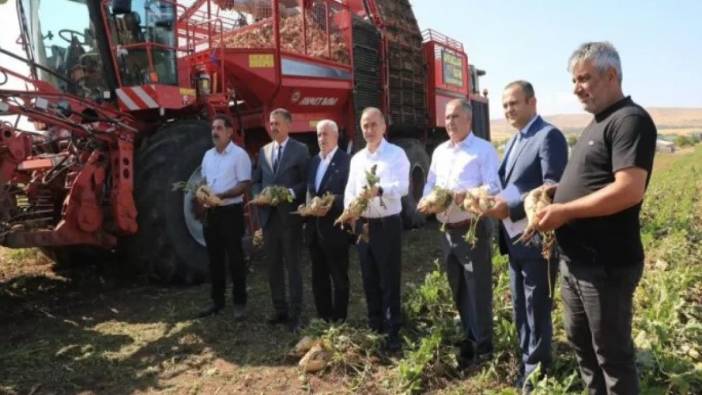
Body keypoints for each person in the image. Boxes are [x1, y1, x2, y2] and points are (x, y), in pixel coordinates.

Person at [536, 42, 657, 394]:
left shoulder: (629, 120)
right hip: (576, 264)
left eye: (584, 79)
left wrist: (565, 210)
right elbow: (591, 180)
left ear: (611, 75)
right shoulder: (596, 123)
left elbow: (629, 190)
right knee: (584, 350)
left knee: (613, 358)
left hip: (605, 266)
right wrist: (557, 193)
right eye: (574, 80)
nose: (576, 88)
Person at [484, 81, 568, 392]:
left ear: (532, 102)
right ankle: (526, 364)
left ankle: (537, 375)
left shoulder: (549, 136)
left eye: (514, 103)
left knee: (537, 306)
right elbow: (511, 182)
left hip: (535, 239)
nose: (508, 109)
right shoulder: (514, 141)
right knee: (520, 306)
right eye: (505, 105)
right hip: (514, 239)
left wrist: (513, 208)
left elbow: (554, 187)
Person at [419, 98, 500, 365]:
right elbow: (431, 182)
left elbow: (494, 187)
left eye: (455, 117)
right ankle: (469, 338)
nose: (449, 122)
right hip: (446, 231)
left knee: (478, 289)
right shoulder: (440, 151)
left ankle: (484, 348)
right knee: (458, 288)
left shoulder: (483, 150)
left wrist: (467, 195)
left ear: (468, 120)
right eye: (447, 117)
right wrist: (426, 199)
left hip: (472, 230)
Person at [344, 107, 409, 351]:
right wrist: (350, 214)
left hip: (387, 224)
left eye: (373, 125)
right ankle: (375, 328)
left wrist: (379, 190)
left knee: (389, 279)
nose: (369, 130)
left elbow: (403, 187)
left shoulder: (396, 154)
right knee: (369, 277)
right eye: (364, 125)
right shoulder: (357, 158)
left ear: (384, 127)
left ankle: (393, 332)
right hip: (364, 224)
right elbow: (350, 189)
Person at [251, 108, 310, 332]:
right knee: (273, 266)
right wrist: (259, 194)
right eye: (271, 123)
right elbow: (256, 179)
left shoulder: (300, 150)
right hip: (268, 218)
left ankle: (296, 314)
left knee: (293, 266)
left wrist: (289, 194)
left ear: (289, 125)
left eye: (277, 123)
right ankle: (280, 309)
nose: (273, 127)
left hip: (289, 218)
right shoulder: (264, 150)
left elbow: (306, 183)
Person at [196, 114, 252, 320]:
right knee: (214, 259)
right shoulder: (208, 155)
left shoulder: (239, 155)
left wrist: (222, 195)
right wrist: (202, 198)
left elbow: (244, 184)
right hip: (211, 213)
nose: (215, 132)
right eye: (213, 128)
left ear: (230, 132)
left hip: (230, 212)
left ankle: (240, 303)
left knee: (235, 259)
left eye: (219, 128)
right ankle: (217, 301)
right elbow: (203, 180)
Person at [305, 120, 351, 322]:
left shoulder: (346, 161)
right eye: (318, 135)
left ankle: (339, 320)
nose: (321, 139)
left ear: (336, 136)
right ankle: (323, 317)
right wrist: (308, 206)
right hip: (315, 230)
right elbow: (310, 190)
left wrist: (331, 203)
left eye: (325, 134)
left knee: (339, 277)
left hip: (335, 229)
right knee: (319, 277)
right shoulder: (314, 161)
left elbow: (351, 195)